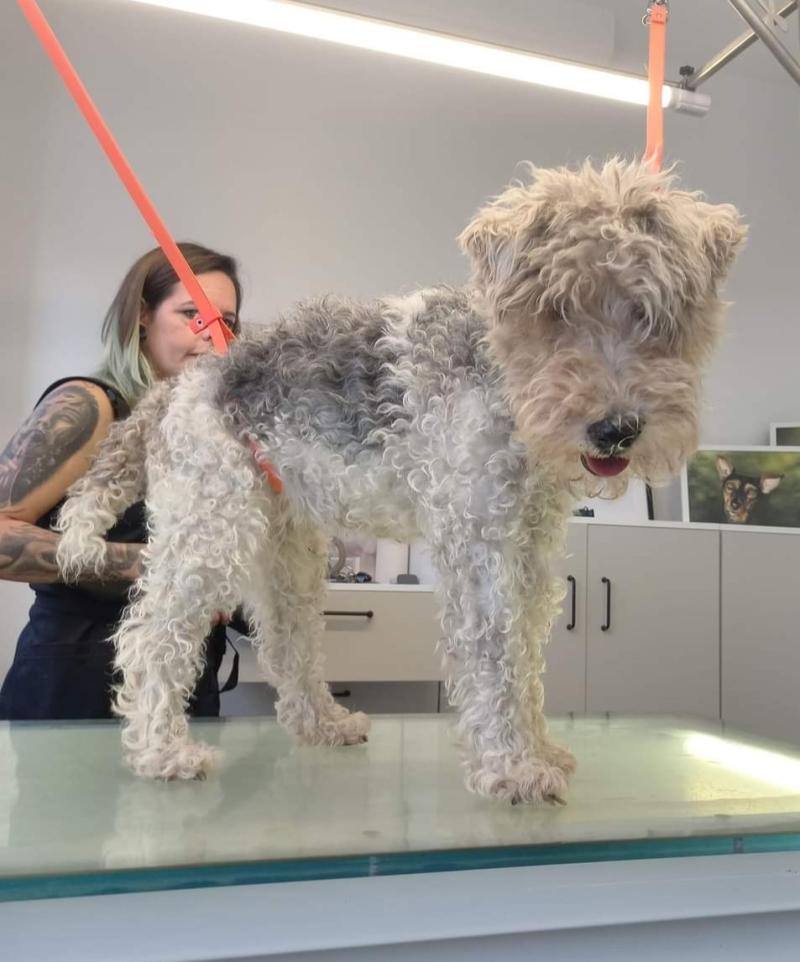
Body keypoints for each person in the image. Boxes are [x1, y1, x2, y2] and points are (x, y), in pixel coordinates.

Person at [0, 242, 244, 720]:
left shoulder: (202, 432)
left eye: (227, 323)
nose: (214, 336)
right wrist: (147, 563)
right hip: (77, 681)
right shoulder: (88, 405)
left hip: (181, 680)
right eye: (193, 314)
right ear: (143, 316)